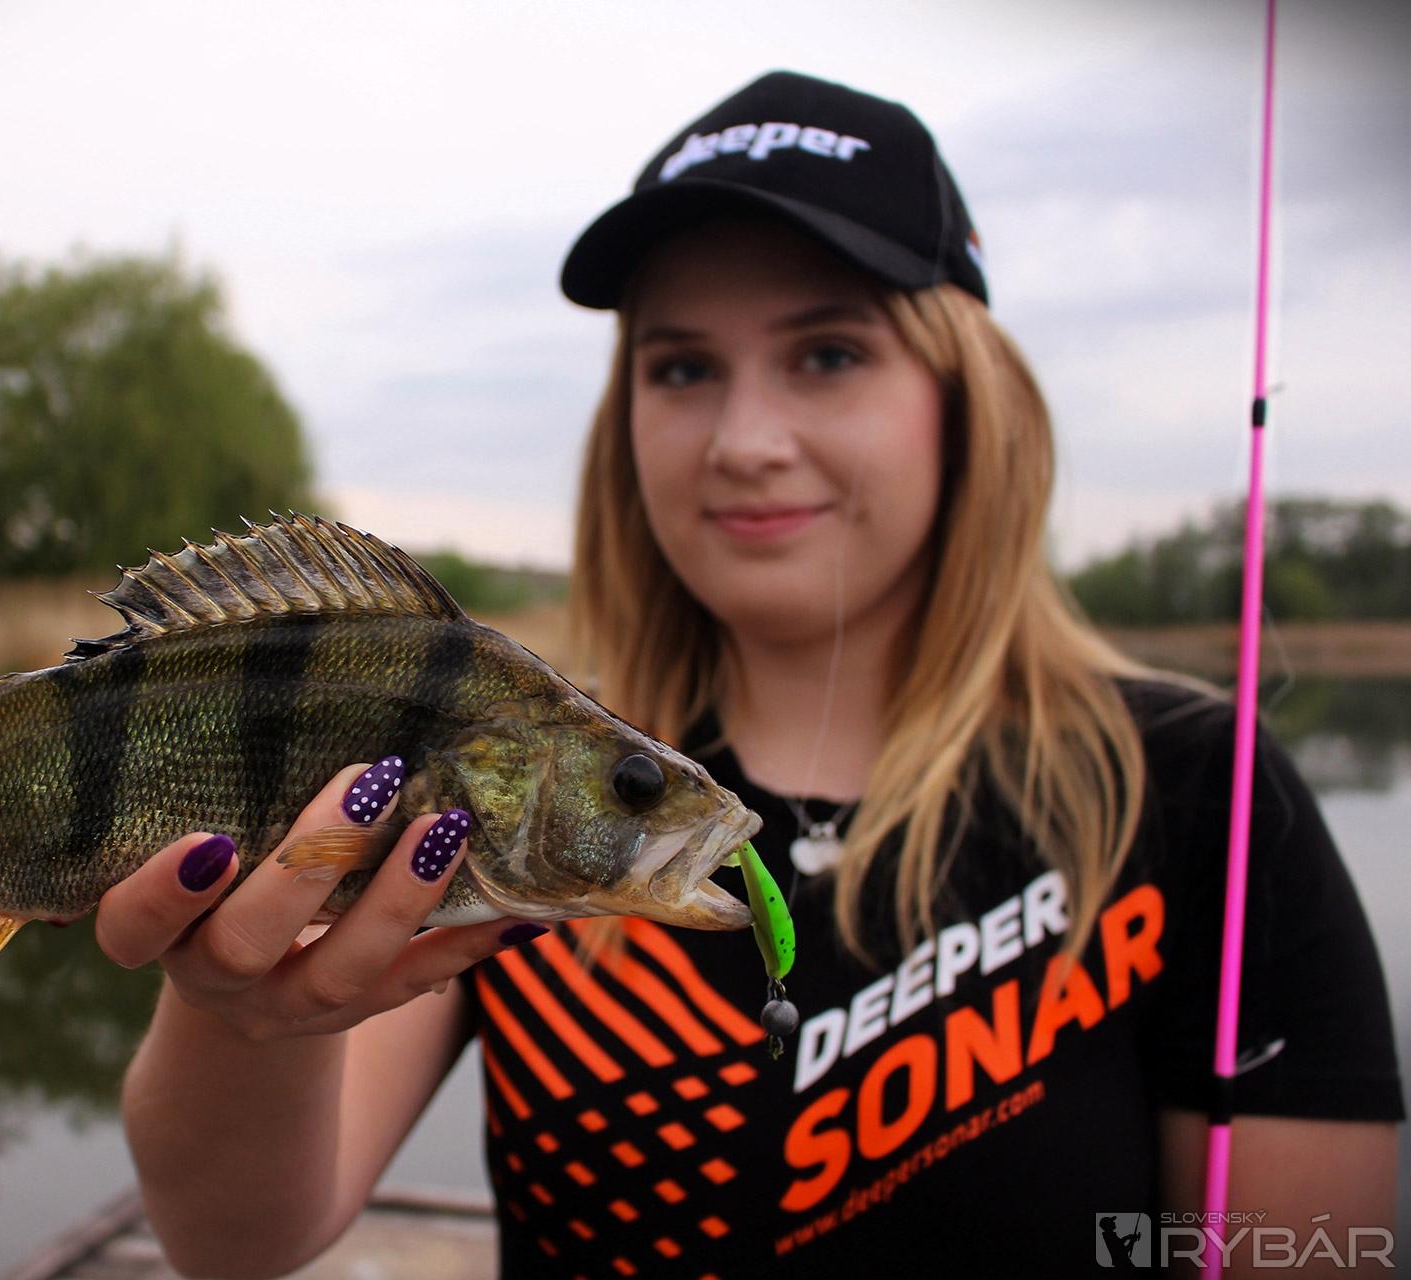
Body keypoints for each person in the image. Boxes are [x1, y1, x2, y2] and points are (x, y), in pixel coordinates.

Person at [99, 71, 1403, 1276]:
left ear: (966, 403)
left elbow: (1312, 1250)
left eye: (828, 354)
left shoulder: (1191, 792)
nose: (744, 439)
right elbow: (236, 1243)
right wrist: (240, 1011)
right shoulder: (529, 784)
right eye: (681, 367)